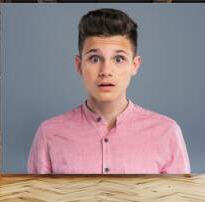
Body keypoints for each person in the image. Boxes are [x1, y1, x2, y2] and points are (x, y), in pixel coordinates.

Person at [27, 8, 190, 174]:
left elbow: (179, 198)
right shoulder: (48, 133)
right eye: (95, 58)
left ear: (134, 65)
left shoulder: (167, 132)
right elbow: (35, 199)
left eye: (118, 59)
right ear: (79, 65)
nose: (106, 71)